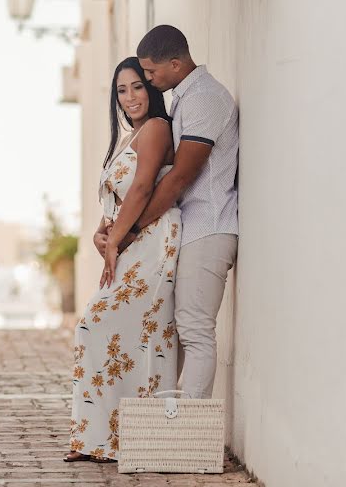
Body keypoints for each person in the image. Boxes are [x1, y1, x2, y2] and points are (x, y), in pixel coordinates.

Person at [101, 25, 239, 401]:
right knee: (176, 330)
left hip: (208, 227)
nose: (146, 79)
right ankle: (169, 431)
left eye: (150, 72)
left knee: (195, 330)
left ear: (175, 64)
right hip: (189, 230)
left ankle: (187, 434)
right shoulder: (185, 98)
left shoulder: (204, 98)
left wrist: (133, 232)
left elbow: (180, 178)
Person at [65, 57, 182, 463]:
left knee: (98, 324)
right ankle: (99, 439)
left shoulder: (156, 129)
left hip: (150, 240)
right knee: (116, 335)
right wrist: (103, 231)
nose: (130, 97)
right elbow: (117, 195)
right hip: (130, 239)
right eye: (121, 90)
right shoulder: (128, 137)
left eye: (136, 86)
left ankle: (129, 438)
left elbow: (143, 188)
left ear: (151, 87)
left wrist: (115, 241)